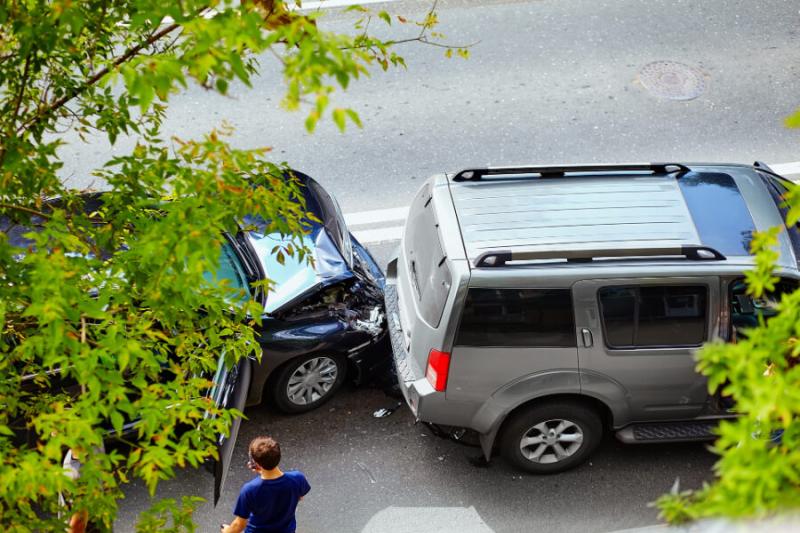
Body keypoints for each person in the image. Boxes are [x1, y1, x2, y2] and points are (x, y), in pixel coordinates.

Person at [221, 436, 310, 533]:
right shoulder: (297, 478)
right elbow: (300, 497)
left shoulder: (250, 489)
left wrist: (227, 530)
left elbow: (239, 524)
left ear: (257, 464)